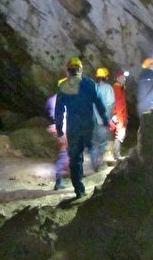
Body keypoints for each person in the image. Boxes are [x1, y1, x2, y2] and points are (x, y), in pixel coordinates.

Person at [55, 57, 115, 198]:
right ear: (81, 70)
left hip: (73, 126)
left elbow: (59, 111)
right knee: (93, 147)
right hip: (89, 124)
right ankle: (101, 177)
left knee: (75, 157)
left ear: (68, 71)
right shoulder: (90, 84)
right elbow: (100, 104)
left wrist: (59, 129)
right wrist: (106, 120)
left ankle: (79, 190)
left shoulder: (63, 86)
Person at [46, 78, 69, 190]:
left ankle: (61, 175)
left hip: (59, 128)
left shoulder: (52, 99)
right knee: (64, 153)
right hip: (61, 129)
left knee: (65, 153)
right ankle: (58, 180)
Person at [92, 67, 115, 171]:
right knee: (102, 144)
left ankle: (94, 165)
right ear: (106, 77)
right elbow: (110, 104)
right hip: (102, 120)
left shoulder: (93, 87)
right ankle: (100, 166)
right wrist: (109, 120)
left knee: (94, 143)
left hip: (93, 121)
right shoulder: (108, 88)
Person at [112, 70, 128, 160]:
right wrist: (117, 116)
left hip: (122, 116)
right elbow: (117, 104)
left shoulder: (120, 89)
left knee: (120, 135)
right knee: (119, 135)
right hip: (119, 116)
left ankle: (117, 153)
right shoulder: (116, 89)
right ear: (118, 79)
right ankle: (116, 154)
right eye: (123, 78)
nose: (125, 79)